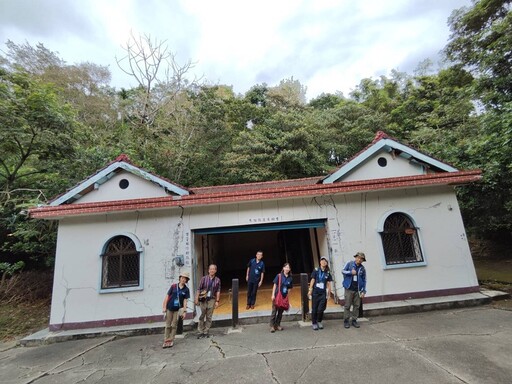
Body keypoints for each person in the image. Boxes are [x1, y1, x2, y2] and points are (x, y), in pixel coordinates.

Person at [162, 272, 190, 348]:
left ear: (186, 280)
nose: (183, 279)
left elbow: (185, 301)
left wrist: (184, 311)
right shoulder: (173, 286)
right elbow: (167, 296)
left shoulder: (186, 289)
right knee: (168, 325)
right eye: (182, 278)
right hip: (169, 308)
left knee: (174, 325)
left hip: (177, 310)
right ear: (180, 278)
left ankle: (171, 339)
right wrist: (164, 307)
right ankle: (166, 339)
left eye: (185, 278)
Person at [195, 264, 221, 338]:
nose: (212, 270)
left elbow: (218, 291)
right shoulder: (203, 278)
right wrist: (196, 299)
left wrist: (217, 301)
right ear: (208, 270)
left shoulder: (217, 280)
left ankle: (206, 331)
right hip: (203, 299)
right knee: (202, 315)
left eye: (213, 269)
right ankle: (200, 331)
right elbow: (199, 289)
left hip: (212, 299)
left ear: (215, 271)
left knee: (209, 316)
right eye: (210, 269)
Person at [342, 252, 367, 329]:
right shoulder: (349, 263)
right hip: (349, 288)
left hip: (358, 290)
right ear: (355, 257)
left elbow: (364, 280)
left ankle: (354, 320)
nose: (359, 259)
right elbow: (342, 271)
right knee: (347, 305)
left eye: (361, 259)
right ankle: (346, 320)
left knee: (356, 306)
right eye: (358, 257)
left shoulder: (362, 268)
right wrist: (350, 272)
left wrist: (363, 291)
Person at [308, 257, 332, 330]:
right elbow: (312, 280)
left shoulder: (327, 272)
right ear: (320, 262)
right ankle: (314, 323)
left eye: (325, 261)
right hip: (315, 292)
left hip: (323, 293)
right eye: (322, 261)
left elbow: (328, 283)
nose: (323, 262)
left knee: (321, 308)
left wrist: (329, 293)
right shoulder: (316, 270)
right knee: (314, 308)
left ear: (326, 263)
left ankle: (319, 321)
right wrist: (310, 289)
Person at [269, 262, 293, 333]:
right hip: (276, 296)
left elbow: (290, 287)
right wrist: (273, 294)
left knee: (280, 312)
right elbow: (275, 285)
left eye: (288, 267)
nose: (287, 269)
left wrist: (286, 295)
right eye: (286, 267)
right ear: (283, 268)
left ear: (290, 269)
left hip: (284, 297)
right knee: (274, 311)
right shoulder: (279, 276)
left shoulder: (290, 278)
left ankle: (277, 324)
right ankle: (272, 326)